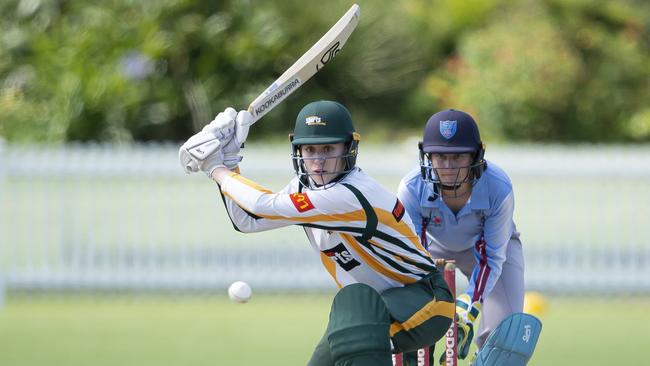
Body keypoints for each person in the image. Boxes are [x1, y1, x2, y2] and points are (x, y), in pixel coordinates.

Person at [179, 100, 454, 366]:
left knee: (354, 301)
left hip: (425, 300)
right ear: (298, 151)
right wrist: (229, 160)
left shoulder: (352, 194)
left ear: (349, 148)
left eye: (328, 149)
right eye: (310, 150)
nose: (318, 161)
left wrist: (215, 168)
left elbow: (260, 204)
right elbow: (247, 220)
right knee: (348, 322)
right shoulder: (303, 186)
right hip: (368, 314)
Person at [397, 109, 525, 363]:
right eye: (439, 157)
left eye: (457, 156)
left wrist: (469, 309)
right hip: (431, 251)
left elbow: (492, 257)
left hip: (492, 252)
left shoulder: (498, 187)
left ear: (476, 156)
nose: (447, 166)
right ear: (427, 156)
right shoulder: (411, 188)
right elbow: (413, 254)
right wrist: (434, 305)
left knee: (505, 335)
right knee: (414, 320)